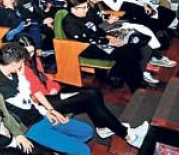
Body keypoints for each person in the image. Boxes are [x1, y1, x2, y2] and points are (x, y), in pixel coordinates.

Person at [12, 34, 149, 148]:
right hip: (41, 102)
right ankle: (128, 135)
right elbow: (34, 92)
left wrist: (53, 87)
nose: (30, 54)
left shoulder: (33, 59)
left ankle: (103, 128)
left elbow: (44, 77)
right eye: (27, 52)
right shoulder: (18, 66)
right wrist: (51, 106)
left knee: (93, 92)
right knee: (89, 95)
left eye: (32, 50)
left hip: (50, 94)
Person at [63, 0, 155, 89]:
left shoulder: (85, 15)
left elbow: (97, 29)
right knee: (128, 52)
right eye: (83, 8)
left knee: (133, 47)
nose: (86, 9)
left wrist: (108, 36)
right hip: (86, 48)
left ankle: (117, 76)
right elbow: (86, 40)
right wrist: (108, 42)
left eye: (86, 6)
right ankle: (136, 84)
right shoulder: (69, 22)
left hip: (99, 42)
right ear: (73, 9)